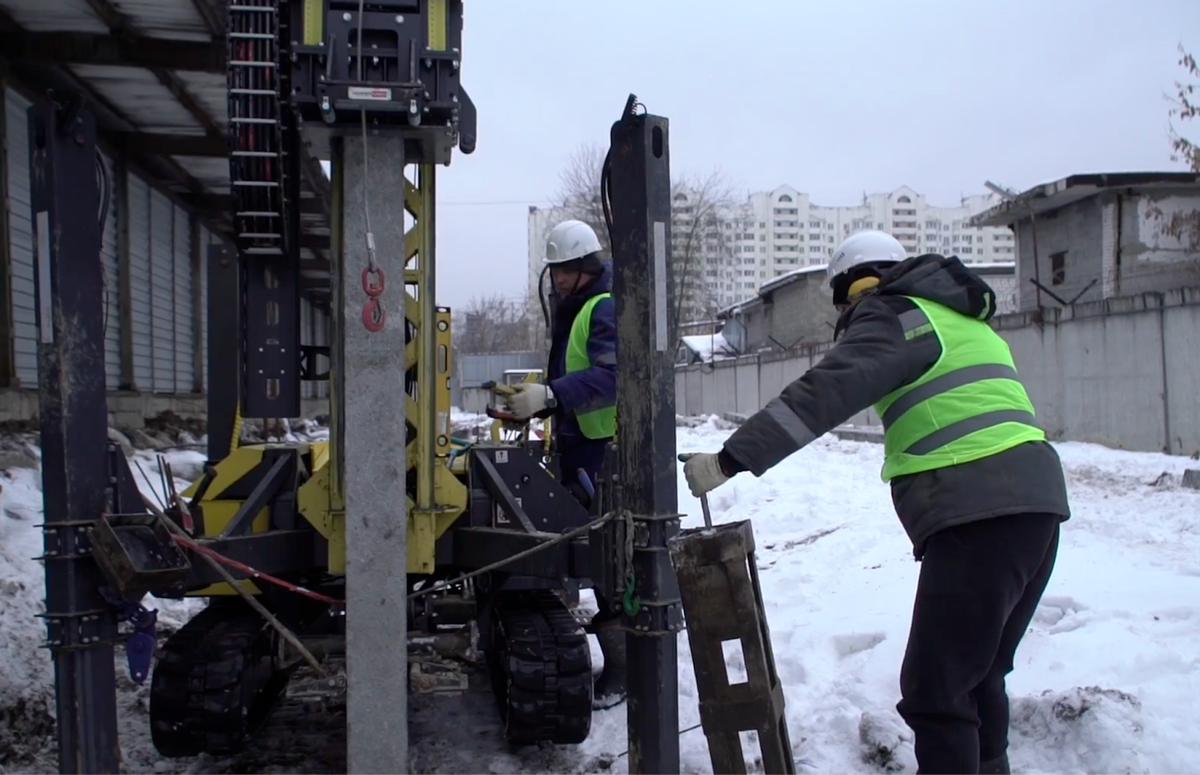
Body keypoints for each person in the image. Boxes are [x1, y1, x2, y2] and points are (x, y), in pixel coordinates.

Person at [681, 230, 1070, 775]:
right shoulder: (955, 316)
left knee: (935, 691)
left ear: (853, 288)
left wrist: (728, 460)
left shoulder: (891, 313)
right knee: (975, 677)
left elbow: (823, 394)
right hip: (1035, 509)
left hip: (979, 512)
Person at [505, 218, 626, 709]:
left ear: (585, 267)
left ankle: (625, 670)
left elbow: (610, 378)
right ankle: (621, 662)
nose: (555, 280)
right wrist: (543, 401)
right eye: (552, 272)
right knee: (599, 554)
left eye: (563, 272)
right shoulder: (578, 307)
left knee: (611, 559)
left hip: (606, 451)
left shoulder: (603, 308)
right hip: (582, 446)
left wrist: (551, 393)